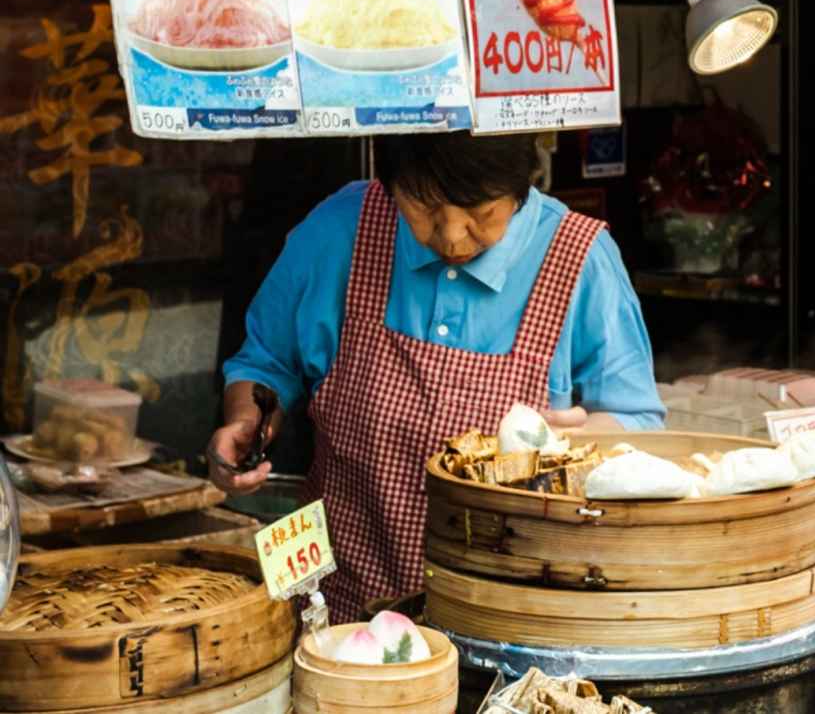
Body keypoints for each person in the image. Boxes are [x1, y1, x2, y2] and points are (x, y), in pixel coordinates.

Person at [209, 132, 663, 620]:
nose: (451, 236)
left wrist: (585, 441)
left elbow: (640, 422)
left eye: (481, 212)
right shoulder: (344, 227)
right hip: (344, 615)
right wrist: (245, 422)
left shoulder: (580, 257)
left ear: (522, 187)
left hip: (515, 621)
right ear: (391, 185)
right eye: (422, 207)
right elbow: (266, 363)